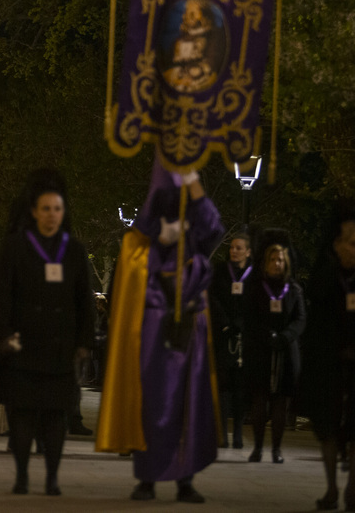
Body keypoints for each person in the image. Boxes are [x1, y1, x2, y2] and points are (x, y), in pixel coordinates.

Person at [96, 159, 223, 504]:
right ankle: (148, 477)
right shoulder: (141, 240)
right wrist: (157, 243)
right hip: (152, 331)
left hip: (188, 330)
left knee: (187, 403)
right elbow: (135, 277)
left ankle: (186, 478)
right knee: (152, 404)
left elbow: (214, 227)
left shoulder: (196, 236)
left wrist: (193, 180)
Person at [0, 169, 94, 496]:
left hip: (60, 348)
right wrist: (3, 334)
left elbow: (84, 301)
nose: (52, 215)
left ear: (64, 212)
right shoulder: (15, 247)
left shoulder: (75, 250)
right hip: (23, 346)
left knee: (55, 420)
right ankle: (21, 476)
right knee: (22, 417)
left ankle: (52, 477)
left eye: (57, 209)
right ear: (34, 211)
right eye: (46, 209)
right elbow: (0, 296)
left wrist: (84, 342)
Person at [303, 207, 355, 511]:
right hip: (329, 364)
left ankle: (352, 488)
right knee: (328, 425)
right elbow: (319, 326)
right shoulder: (324, 276)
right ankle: (331, 487)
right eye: (348, 241)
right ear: (335, 244)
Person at [242, 229, 306, 464]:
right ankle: (257, 448)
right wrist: (265, 335)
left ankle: (276, 449)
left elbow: (300, 319)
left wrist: (285, 336)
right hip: (261, 349)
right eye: (272, 259)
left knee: (281, 402)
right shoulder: (256, 288)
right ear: (266, 262)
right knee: (260, 399)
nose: (277, 263)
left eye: (280, 260)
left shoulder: (294, 290)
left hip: (286, 352)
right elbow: (250, 317)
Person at [210, 232, 252, 449]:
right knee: (223, 385)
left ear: (248, 251)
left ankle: (238, 432)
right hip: (223, 334)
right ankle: (221, 432)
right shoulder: (220, 272)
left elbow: (256, 303)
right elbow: (213, 297)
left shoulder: (254, 275)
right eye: (232, 247)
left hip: (245, 336)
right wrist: (226, 322)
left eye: (239, 248)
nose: (234, 251)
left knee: (240, 387)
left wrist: (243, 324)